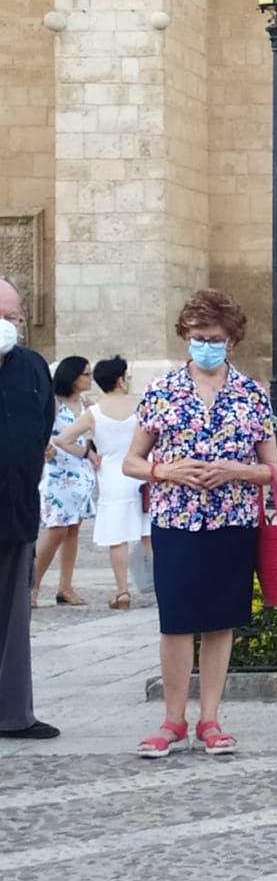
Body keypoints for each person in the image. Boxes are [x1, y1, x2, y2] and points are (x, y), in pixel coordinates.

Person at [125, 289, 277, 758]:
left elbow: (273, 470)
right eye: (196, 337)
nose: (204, 344)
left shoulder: (251, 395)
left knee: (219, 622)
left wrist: (235, 470)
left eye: (213, 337)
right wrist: (164, 470)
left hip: (232, 522)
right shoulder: (162, 391)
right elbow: (131, 461)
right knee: (175, 621)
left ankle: (210, 719)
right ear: (185, 337)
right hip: (176, 521)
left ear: (231, 339)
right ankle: (173, 720)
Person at [0, 278, 59, 740]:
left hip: (16, 510)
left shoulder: (32, 367)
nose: (10, 323)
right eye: (2, 316)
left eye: (14, 315)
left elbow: (42, 430)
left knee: (13, 620)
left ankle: (14, 714)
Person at [52, 356, 147, 609]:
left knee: (118, 538)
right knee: (149, 535)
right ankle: (164, 587)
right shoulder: (141, 406)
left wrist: (88, 453)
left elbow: (62, 440)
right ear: (121, 379)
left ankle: (122, 592)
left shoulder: (94, 411)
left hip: (112, 477)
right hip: (140, 473)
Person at [30, 355, 95, 607]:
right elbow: (41, 429)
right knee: (56, 530)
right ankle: (32, 586)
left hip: (81, 471)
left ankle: (65, 586)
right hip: (58, 473)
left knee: (73, 529)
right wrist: (47, 447)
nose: (90, 378)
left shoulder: (85, 403)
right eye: (85, 374)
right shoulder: (55, 403)